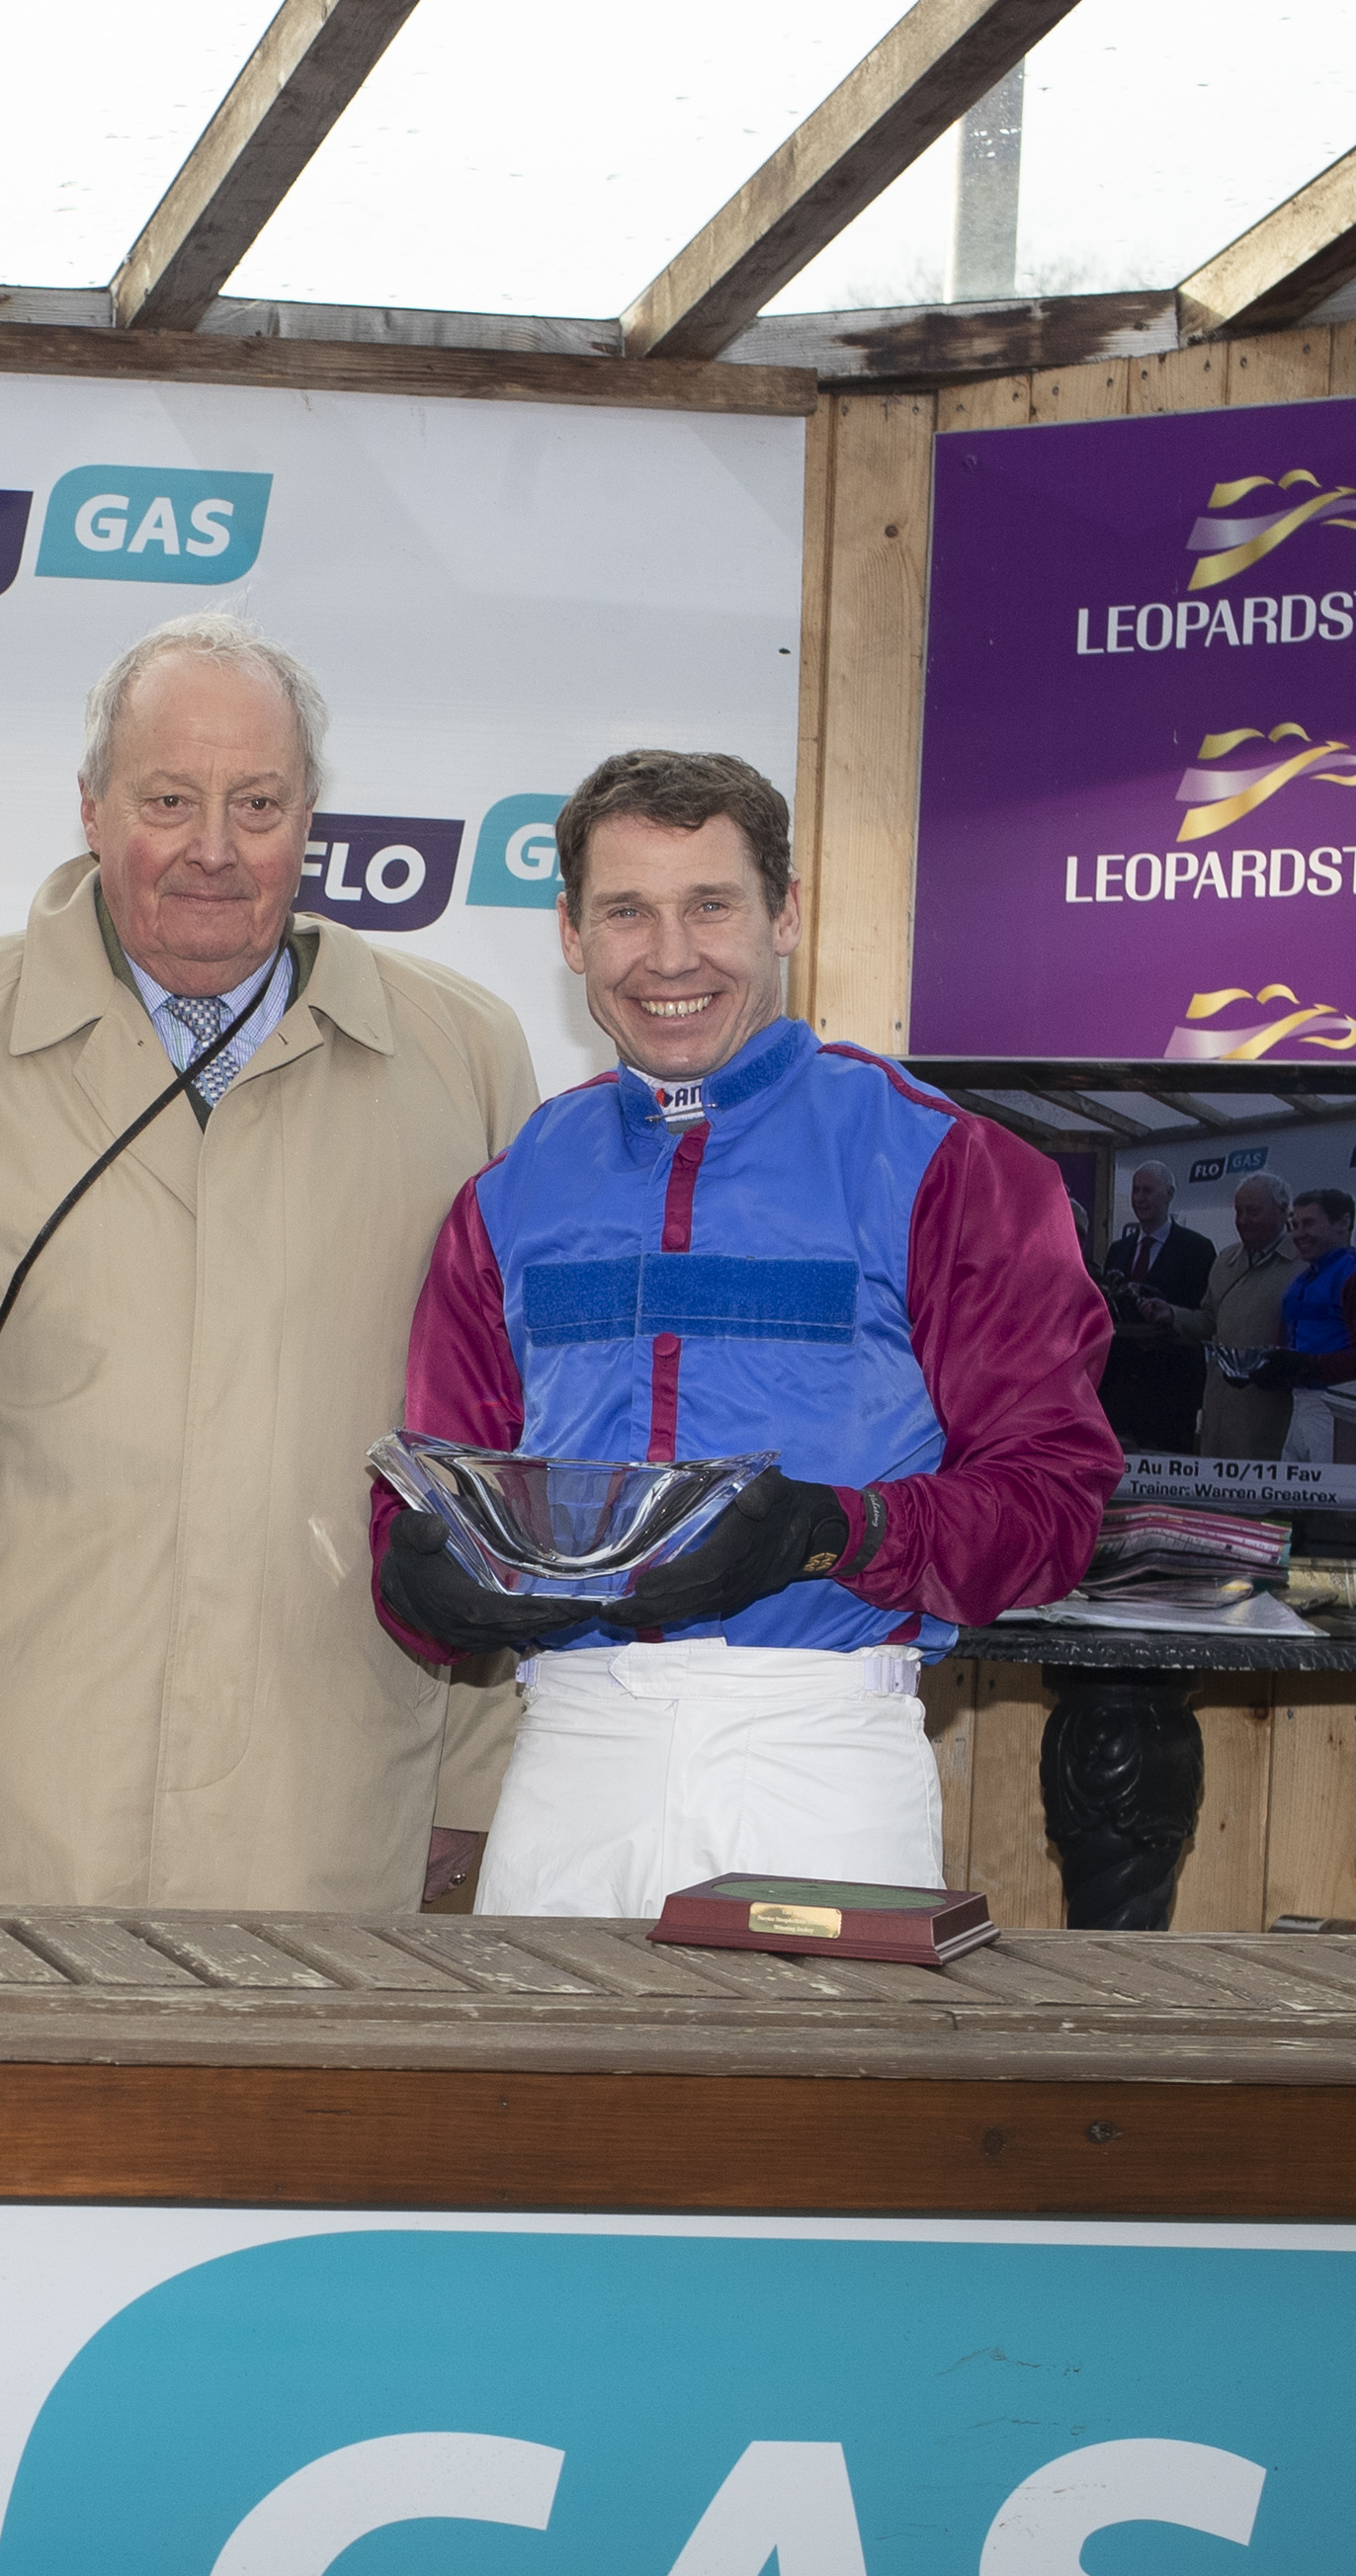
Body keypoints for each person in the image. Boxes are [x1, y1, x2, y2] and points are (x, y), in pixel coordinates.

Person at [0, 614, 540, 1915]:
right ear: (90, 810)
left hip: (328, 1810)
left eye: (255, 803)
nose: (213, 848)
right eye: (168, 799)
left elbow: (499, 1455)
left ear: (309, 820)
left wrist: (469, 1789)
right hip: (3, 1796)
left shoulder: (463, 1060)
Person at [380, 747, 1117, 1921]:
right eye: (626, 910)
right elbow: (428, 1484)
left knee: (805, 2117)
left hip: (820, 1754)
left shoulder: (948, 1165)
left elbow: (1054, 1503)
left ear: (786, 914)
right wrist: (418, 1574)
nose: (670, 957)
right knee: (548, 2110)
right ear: (571, 933)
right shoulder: (511, 1191)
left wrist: (826, 1531)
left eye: (709, 905)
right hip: (570, 1753)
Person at [1097, 1156, 1214, 1452]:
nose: (1139, 1198)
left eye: (1147, 1190)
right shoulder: (1118, 1251)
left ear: (1169, 1195)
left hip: (1170, 1397)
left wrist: (1169, 1317)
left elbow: (1206, 1319)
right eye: (1136, 1190)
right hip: (1120, 1395)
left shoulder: (1197, 1250)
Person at [1253, 1187, 1356, 1404]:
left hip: (1345, 1404)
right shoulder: (1303, 1280)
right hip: (1301, 1402)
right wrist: (1266, 1371)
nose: (1298, 1234)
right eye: (1294, 1226)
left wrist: (1308, 1366)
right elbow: (1289, 1351)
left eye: (1308, 1224)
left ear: (1343, 1223)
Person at [1191, 1170, 1300, 1459]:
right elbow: (1208, 1320)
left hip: (1271, 1410)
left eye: (1253, 1211)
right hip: (1220, 1407)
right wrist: (1170, 1315)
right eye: (1239, 1211)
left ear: (1282, 1210)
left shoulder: (1304, 1265)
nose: (1243, 1220)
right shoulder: (1225, 1260)